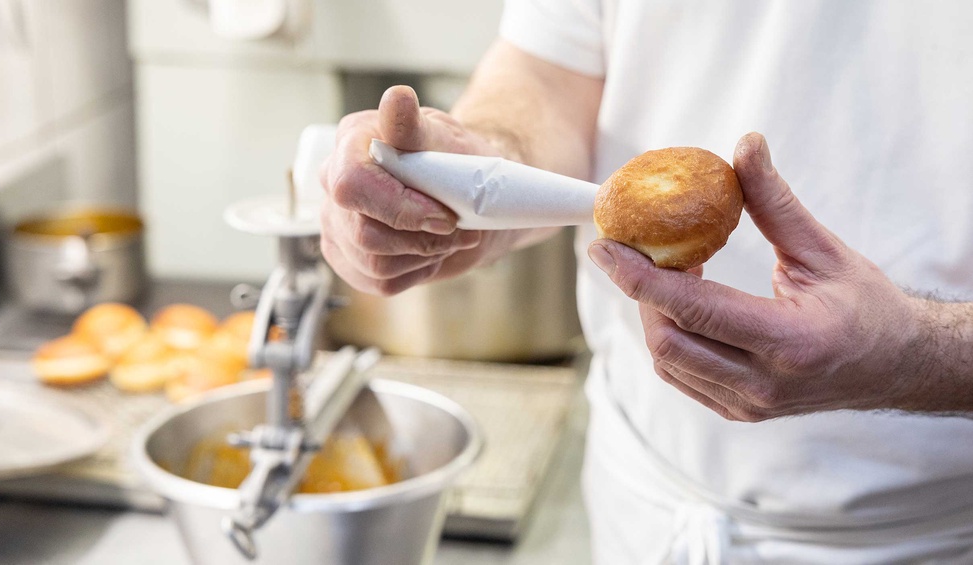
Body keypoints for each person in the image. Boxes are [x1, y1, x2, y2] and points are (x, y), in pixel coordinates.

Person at [319, 1, 973, 562]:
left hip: (934, 536)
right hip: (646, 505)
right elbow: (548, 74)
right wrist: (486, 168)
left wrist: (918, 354)